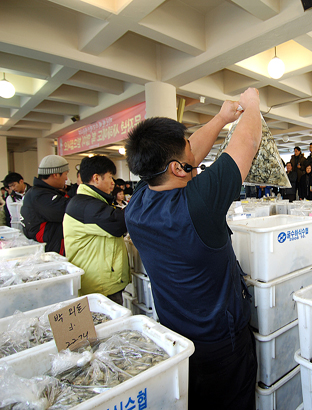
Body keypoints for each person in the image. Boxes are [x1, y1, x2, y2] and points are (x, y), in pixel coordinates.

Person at [124, 88, 261, 410]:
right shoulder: (198, 204)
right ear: (176, 168)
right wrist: (252, 103)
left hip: (177, 337)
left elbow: (188, 158)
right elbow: (247, 142)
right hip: (221, 342)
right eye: (187, 151)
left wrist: (222, 118)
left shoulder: (136, 206)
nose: (194, 157)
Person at [63, 155, 129, 304]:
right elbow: (119, 223)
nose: (112, 182)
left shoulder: (89, 201)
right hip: (99, 286)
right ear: (96, 178)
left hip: (100, 282)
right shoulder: (86, 205)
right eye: (110, 177)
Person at [21, 155, 71, 254]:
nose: (66, 178)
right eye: (65, 174)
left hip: (50, 248)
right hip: (51, 252)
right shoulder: (41, 196)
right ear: (55, 175)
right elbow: (70, 211)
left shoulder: (39, 192)